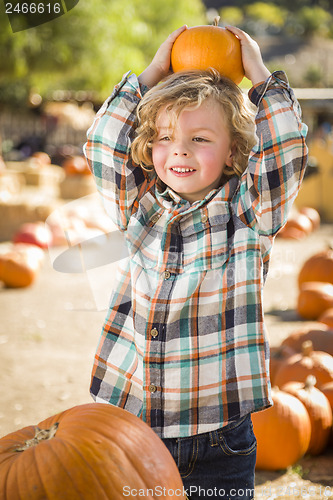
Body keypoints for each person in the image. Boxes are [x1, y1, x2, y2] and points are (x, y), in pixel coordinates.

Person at [84, 25, 308, 499]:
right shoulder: (138, 206)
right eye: (164, 137)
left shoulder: (249, 214)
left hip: (219, 440)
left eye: (200, 138)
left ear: (234, 152)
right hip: (135, 429)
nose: (179, 149)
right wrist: (150, 75)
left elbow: (285, 152)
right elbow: (104, 145)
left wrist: (261, 77)